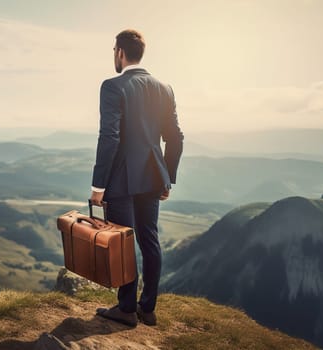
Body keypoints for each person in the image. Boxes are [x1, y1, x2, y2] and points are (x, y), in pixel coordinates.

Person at [90, 29, 184, 327]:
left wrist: (97, 186)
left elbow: (110, 137)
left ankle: (127, 308)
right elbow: (176, 137)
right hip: (153, 176)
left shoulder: (113, 87)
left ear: (119, 52)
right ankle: (149, 309)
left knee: (124, 242)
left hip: (121, 180)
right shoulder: (164, 88)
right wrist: (167, 176)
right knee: (149, 239)